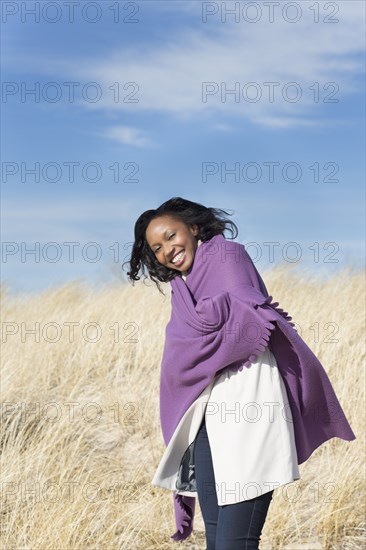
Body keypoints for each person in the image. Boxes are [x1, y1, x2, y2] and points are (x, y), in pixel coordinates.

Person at [124, 196, 356, 549]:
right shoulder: (181, 290)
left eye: (171, 236)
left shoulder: (227, 256)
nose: (167, 250)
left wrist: (203, 335)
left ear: (194, 228)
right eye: (157, 248)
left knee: (236, 541)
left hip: (252, 404)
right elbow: (184, 350)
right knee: (216, 539)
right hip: (206, 415)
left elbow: (243, 319)